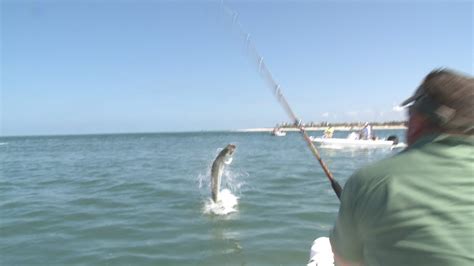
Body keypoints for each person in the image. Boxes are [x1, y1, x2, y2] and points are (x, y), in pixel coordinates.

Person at [329, 69, 474, 266]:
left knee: (320, 247)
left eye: (409, 114)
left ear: (416, 122)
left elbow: (345, 263)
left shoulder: (369, 181)